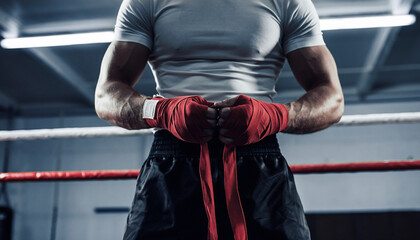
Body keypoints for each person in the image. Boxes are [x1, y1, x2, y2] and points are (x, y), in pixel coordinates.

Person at [95, 0, 344, 239]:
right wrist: (162, 112)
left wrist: (275, 116)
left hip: (258, 157)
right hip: (172, 157)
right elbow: (106, 95)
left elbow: (332, 99)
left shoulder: (288, 2)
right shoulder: (145, 1)